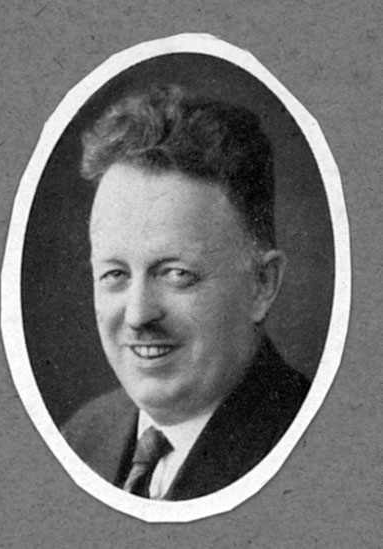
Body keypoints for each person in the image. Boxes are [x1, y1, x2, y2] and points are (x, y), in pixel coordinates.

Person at [61, 85, 310, 500]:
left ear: (262, 284)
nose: (138, 314)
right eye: (115, 274)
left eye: (177, 274)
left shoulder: (313, 448)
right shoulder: (83, 437)